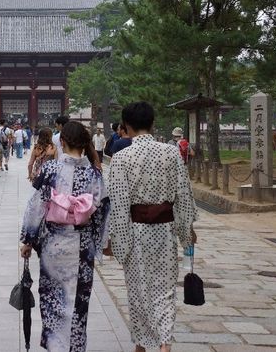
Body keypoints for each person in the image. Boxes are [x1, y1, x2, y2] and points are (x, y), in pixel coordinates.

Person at [107, 102, 197, 352]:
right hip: (165, 232)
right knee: (165, 291)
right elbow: (183, 194)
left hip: (136, 233)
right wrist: (186, 229)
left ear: (125, 127)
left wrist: (117, 241)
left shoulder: (121, 157)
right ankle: (164, 345)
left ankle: (142, 345)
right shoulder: (171, 153)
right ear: (153, 123)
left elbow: (119, 204)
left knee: (138, 293)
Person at [20, 121, 110, 351]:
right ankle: (75, 347)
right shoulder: (94, 174)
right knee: (78, 303)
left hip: (53, 244)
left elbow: (36, 206)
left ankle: (55, 346)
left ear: (62, 142)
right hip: (82, 246)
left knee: (53, 298)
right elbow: (101, 212)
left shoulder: (50, 170)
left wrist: (28, 239)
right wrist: (103, 243)